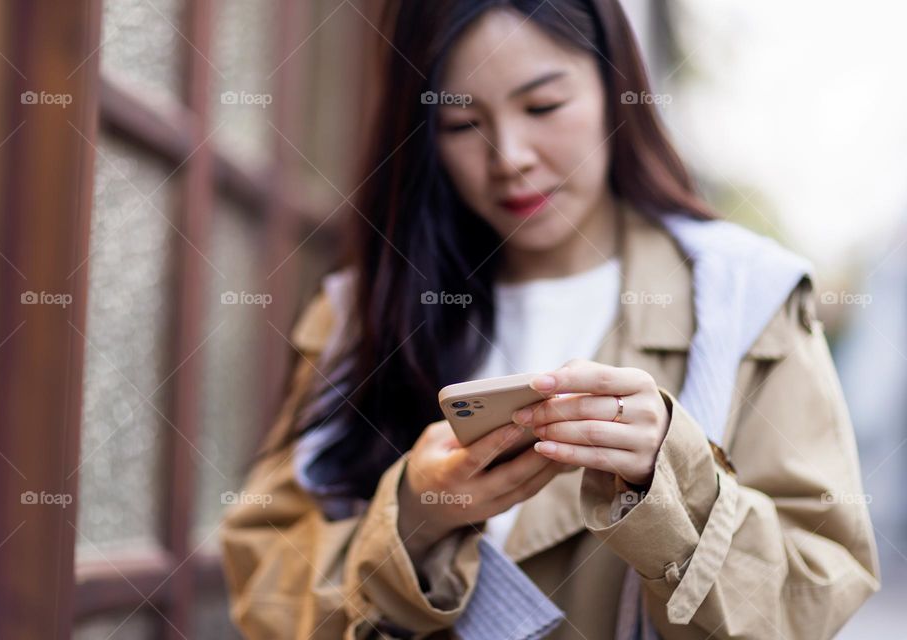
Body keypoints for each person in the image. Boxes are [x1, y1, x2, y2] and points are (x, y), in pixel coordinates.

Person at [220, 1, 880, 638]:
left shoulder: (747, 299)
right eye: (459, 123)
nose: (509, 157)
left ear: (616, 85)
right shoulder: (358, 313)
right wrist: (413, 520)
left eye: (543, 106)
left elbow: (814, 598)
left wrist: (673, 479)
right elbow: (264, 588)